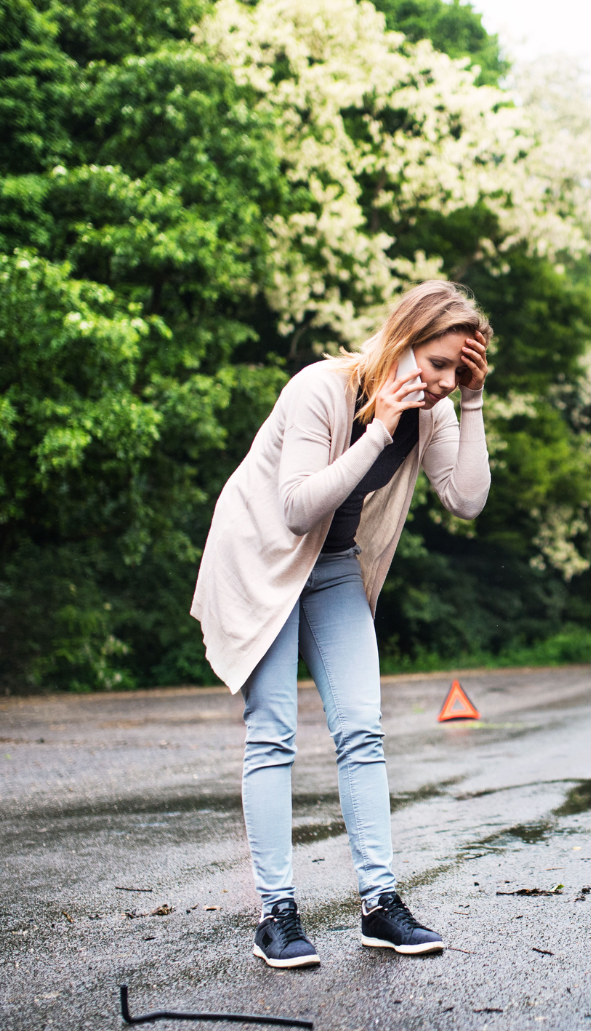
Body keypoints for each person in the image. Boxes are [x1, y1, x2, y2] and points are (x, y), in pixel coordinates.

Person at [190, 281, 492, 968]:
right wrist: (382, 427)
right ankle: (277, 914)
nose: (443, 382)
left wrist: (471, 402)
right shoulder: (322, 389)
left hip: (332, 570)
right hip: (263, 561)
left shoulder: (436, 409)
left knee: (361, 728)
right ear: (403, 339)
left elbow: (466, 500)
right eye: (438, 364)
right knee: (273, 733)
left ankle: (380, 906)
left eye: (458, 369)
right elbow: (297, 506)